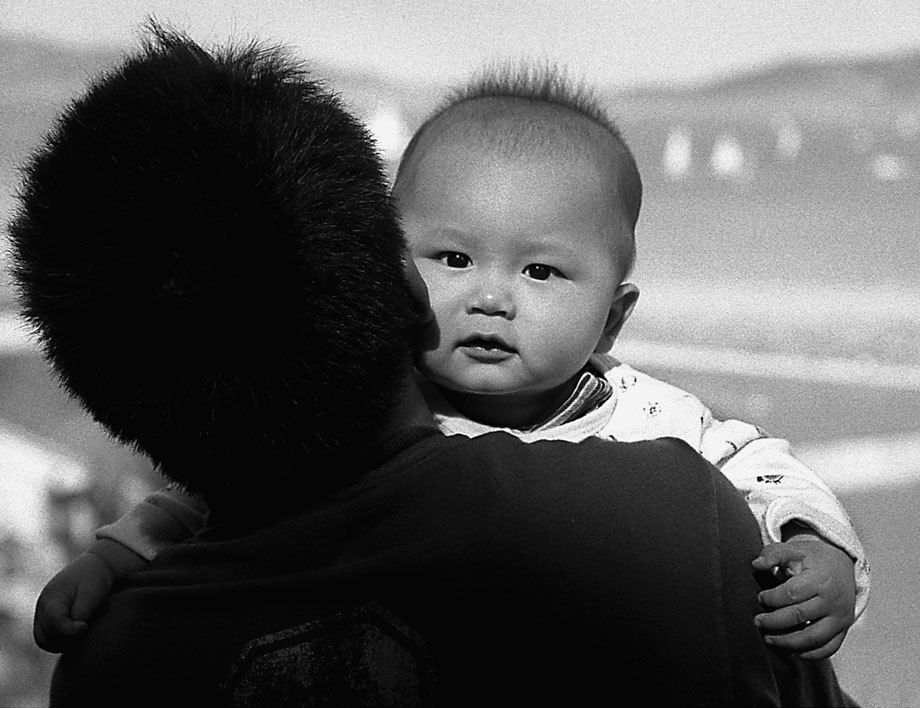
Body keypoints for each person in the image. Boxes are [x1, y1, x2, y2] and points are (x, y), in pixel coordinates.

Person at [13, 26, 855, 706]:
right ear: (403, 278)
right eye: (453, 258)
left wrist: (817, 547)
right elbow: (187, 506)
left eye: (540, 272)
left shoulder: (117, 671)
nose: (491, 298)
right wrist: (110, 557)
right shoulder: (676, 514)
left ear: (614, 320)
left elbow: (768, 472)